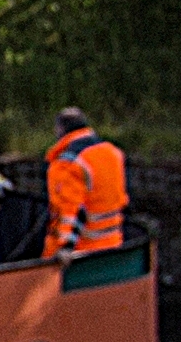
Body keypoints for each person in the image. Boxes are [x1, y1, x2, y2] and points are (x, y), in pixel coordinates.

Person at [44, 105, 128, 261]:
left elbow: (69, 209)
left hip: (80, 252)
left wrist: (64, 248)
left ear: (60, 129)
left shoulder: (68, 163)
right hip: (113, 245)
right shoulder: (113, 154)